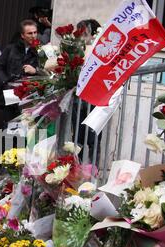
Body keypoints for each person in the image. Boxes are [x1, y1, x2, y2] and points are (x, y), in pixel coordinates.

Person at [0, 19, 40, 174]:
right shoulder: (10, 49)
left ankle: (23, 164)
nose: (33, 35)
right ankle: (7, 162)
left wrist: (35, 70)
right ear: (22, 35)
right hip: (11, 93)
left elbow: (48, 71)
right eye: (29, 33)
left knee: (26, 130)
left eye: (35, 32)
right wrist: (6, 83)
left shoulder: (41, 51)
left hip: (30, 96)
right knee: (10, 127)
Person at [72, 19, 102, 165]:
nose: (83, 37)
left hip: (96, 100)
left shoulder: (100, 49)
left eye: (85, 33)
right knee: (77, 138)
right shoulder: (76, 49)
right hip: (78, 99)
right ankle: (75, 170)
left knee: (93, 138)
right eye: (80, 34)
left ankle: (92, 172)